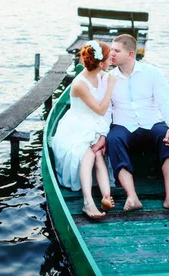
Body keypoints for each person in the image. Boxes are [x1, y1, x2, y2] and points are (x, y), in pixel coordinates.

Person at [105, 34, 169, 214]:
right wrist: (103, 135)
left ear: (130, 54)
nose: (111, 53)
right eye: (111, 49)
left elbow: (165, 101)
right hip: (123, 125)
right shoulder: (109, 78)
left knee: (167, 136)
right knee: (113, 139)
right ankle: (132, 196)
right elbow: (106, 111)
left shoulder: (152, 73)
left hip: (151, 123)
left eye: (116, 51)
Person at [51, 40, 117, 219]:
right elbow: (101, 109)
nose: (112, 58)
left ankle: (106, 196)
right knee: (88, 153)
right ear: (101, 62)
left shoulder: (102, 75)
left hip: (95, 123)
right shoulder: (80, 83)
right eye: (109, 56)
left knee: (98, 154)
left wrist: (103, 134)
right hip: (77, 126)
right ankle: (88, 203)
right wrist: (110, 87)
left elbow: (106, 112)